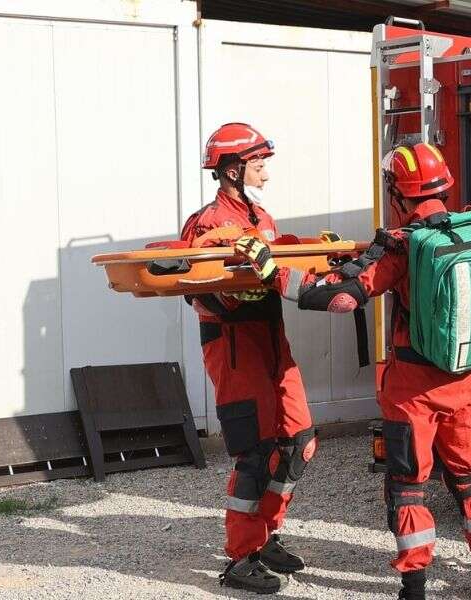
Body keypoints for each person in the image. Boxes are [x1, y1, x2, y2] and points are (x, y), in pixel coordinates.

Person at [235, 142, 471, 600]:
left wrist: (270, 268)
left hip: (414, 389)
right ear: (445, 186)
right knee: (470, 478)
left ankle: (414, 588)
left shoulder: (401, 246)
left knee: (409, 486)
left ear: (397, 192)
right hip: (470, 380)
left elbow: (339, 297)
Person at [182, 123, 316, 594]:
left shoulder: (260, 217)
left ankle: (265, 534)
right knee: (255, 452)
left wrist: (309, 249)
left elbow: (275, 263)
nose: (265, 172)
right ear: (233, 169)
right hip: (234, 344)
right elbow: (197, 293)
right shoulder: (207, 224)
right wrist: (238, 288)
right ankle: (241, 558)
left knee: (299, 441)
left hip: (272, 339)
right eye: (258, 164)